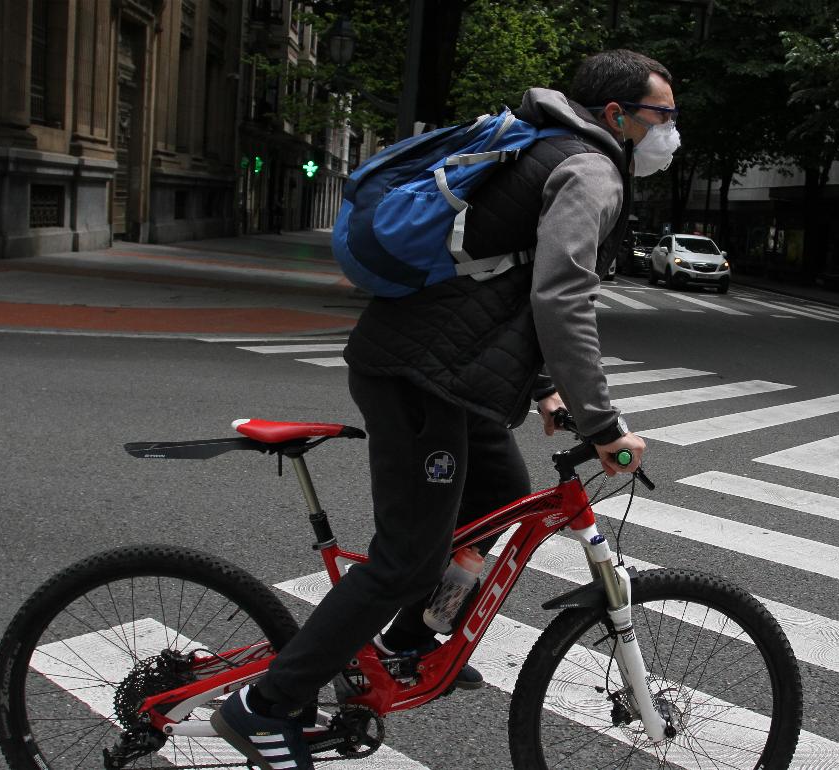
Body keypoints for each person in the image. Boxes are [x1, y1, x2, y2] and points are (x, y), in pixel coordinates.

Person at [211, 49, 680, 770]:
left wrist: (542, 387)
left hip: (445, 369)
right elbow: (561, 297)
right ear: (617, 116)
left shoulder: (549, 145)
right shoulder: (588, 169)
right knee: (406, 558)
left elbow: (495, 281)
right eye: (663, 116)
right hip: (417, 375)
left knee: (500, 493)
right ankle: (266, 705)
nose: (671, 132)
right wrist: (602, 423)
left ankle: (410, 638)